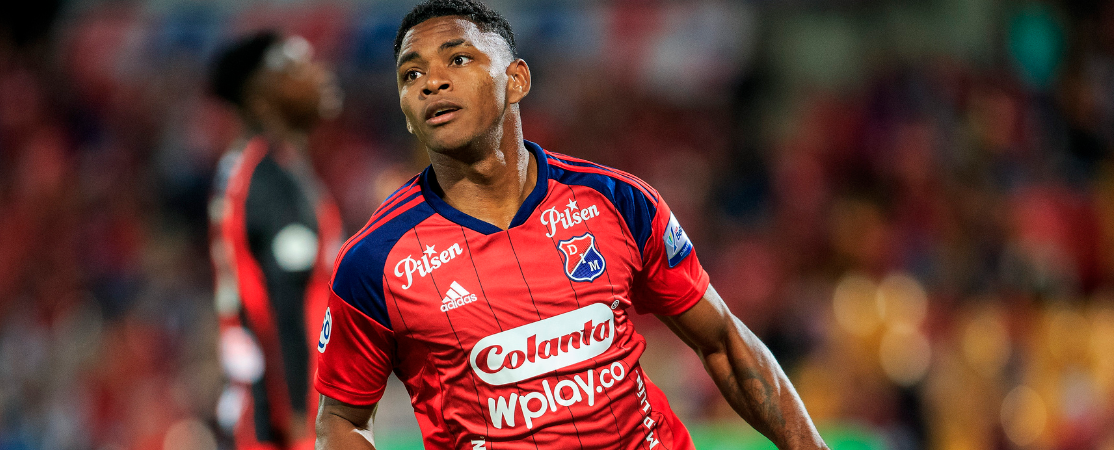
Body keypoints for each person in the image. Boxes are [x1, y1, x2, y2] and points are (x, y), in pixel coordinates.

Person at [312, 1, 829, 449]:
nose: (432, 83)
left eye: (459, 58)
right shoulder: (374, 261)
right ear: (405, 111)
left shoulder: (616, 201)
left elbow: (722, 341)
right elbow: (341, 417)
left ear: (516, 80)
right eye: (411, 75)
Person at [207, 30, 343, 450]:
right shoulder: (269, 179)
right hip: (281, 423)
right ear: (260, 96)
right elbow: (281, 304)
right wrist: (302, 422)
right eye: (296, 64)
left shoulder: (264, 167)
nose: (319, 73)